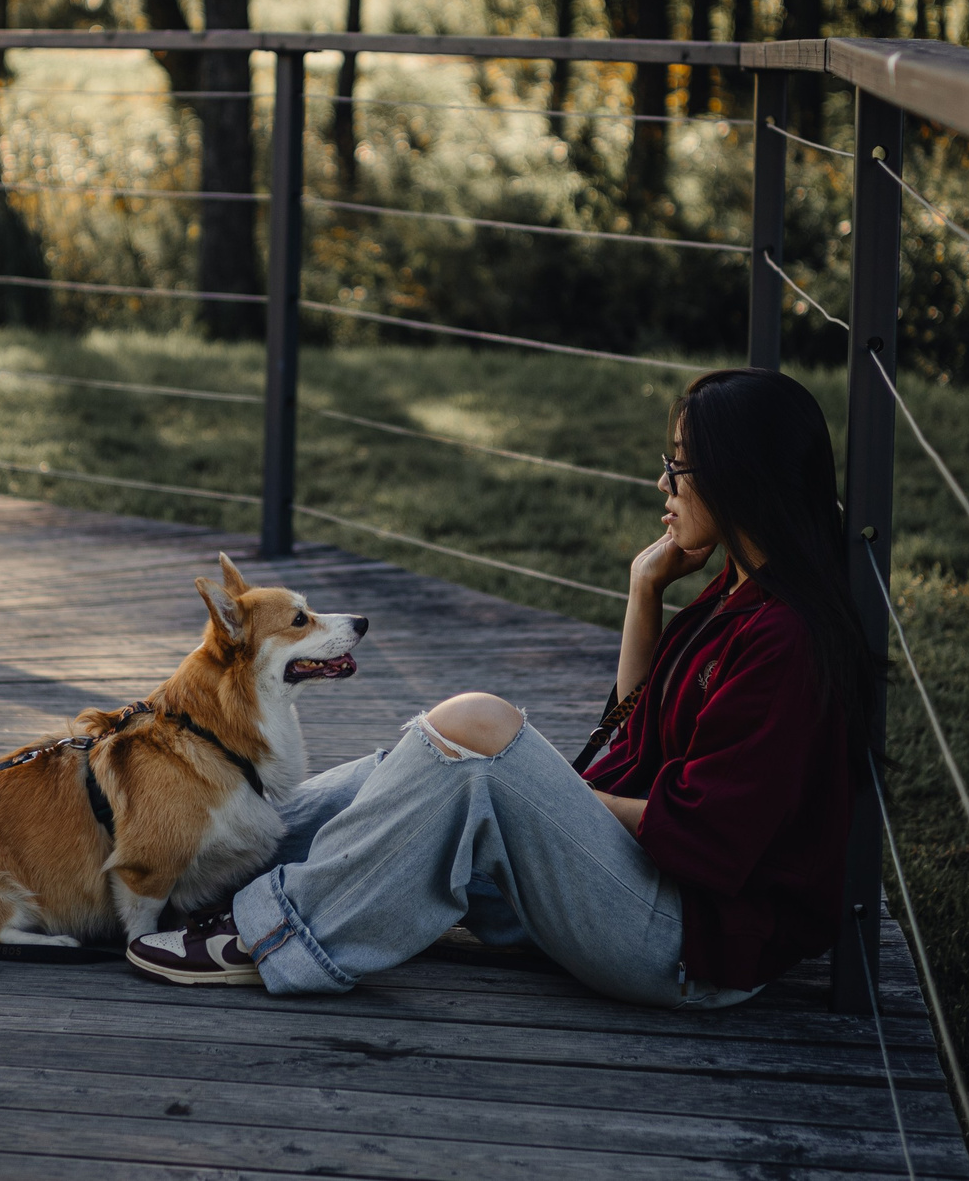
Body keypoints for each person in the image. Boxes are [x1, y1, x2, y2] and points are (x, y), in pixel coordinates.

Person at [125, 366, 877, 1008]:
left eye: (680, 464)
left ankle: (270, 930)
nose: (663, 482)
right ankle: (191, 878)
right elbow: (632, 733)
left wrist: (533, 788)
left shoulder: (783, 640)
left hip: (685, 945)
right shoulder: (738, 597)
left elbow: (708, 839)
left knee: (473, 736)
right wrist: (643, 589)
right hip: (641, 898)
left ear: (740, 475)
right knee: (418, 763)